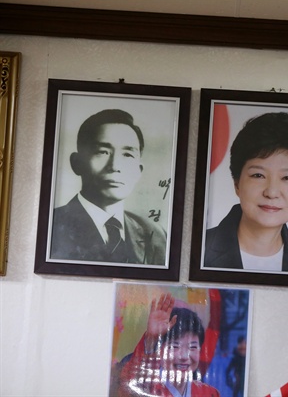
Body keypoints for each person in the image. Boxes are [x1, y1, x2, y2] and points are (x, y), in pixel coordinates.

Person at [204, 112, 288, 273]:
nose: (272, 192)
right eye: (258, 175)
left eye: (287, 177)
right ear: (237, 183)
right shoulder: (199, 249)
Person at [50, 109, 167, 265]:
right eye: (102, 152)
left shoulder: (155, 234)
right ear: (76, 163)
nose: (115, 166)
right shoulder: (53, 225)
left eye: (127, 154)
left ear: (139, 171)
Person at [117, 293, 220, 397]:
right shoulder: (145, 387)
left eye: (192, 347)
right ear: (160, 350)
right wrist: (151, 338)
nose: (184, 356)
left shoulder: (209, 393)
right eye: (175, 346)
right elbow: (128, 385)